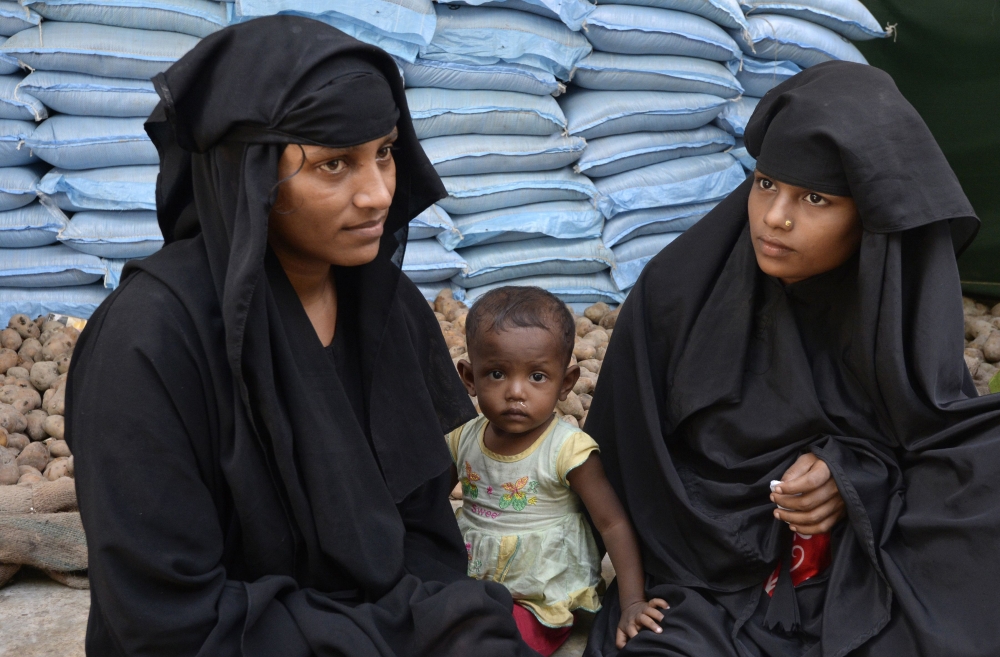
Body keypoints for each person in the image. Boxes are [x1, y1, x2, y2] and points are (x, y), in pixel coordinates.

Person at [65, 17, 537, 656]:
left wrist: (428, 620)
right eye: (334, 164)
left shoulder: (389, 311)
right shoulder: (148, 343)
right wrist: (399, 632)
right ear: (249, 176)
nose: (376, 194)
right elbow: (168, 619)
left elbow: (421, 540)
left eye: (386, 152)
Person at [584, 61, 1000, 656]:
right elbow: (633, 471)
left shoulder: (890, 303)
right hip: (710, 577)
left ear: (870, 218)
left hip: (855, 557)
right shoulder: (678, 295)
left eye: (815, 198)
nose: (776, 217)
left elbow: (927, 437)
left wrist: (852, 477)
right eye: (765, 183)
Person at [450, 286, 669, 656]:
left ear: (566, 383)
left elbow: (612, 524)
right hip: (475, 577)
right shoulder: (462, 440)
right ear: (470, 378)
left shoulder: (566, 449)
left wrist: (632, 601)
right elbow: (423, 503)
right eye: (497, 373)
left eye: (537, 377)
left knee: (498, 640)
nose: (515, 392)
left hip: (540, 591)